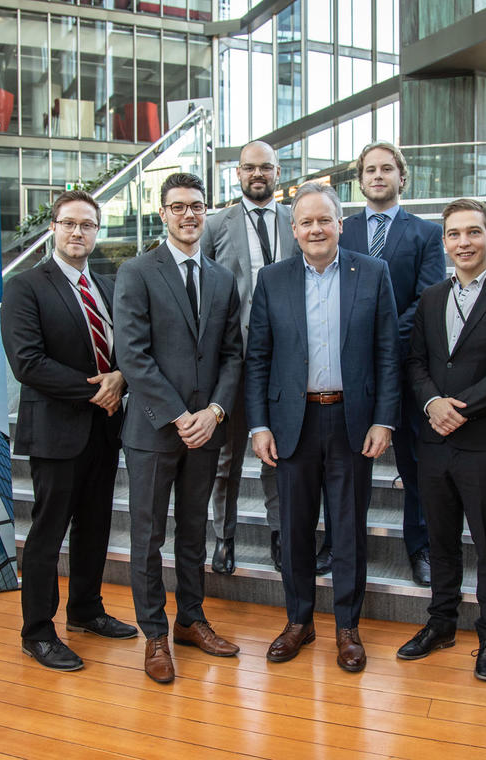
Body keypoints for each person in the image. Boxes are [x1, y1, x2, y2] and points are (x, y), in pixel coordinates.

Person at [246, 181, 401, 673]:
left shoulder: (373, 273)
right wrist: (258, 425)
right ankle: (299, 621)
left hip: (353, 421)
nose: (316, 228)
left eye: (324, 219)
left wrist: (384, 419)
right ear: (293, 230)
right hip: (293, 421)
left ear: (340, 224)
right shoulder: (272, 279)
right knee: (293, 528)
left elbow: (387, 354)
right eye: (305, 221)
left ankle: (347, 627)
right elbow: (258, 359)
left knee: (349, 527)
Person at [398, 198, 486, 682]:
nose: (464, 242)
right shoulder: (432, 298)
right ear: (444, 243)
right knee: (440, 540)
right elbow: (414, 362)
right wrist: (433, 403)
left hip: (484, 442)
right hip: (434, 440)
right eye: (455, 234)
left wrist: (461, 407)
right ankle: (441, 624)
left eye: (473, 232)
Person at [113, 172, 244, 684]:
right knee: (148, 537)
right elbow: (133, 355)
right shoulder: (137, 272)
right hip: (154, 431)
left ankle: (191, 619)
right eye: (178, 207)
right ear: (162, 213)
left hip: (206, 431)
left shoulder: (222, 278)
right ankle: (155, 635)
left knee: (193, 532)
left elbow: (232, 355)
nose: (189, 215)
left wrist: (213, 412)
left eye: (197, 206)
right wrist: (178, 414)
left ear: (206, 212)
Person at [1, 189, 137, 672]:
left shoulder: (108, 284)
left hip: (105, 428)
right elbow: (27, 362)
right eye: (69, 223)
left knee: (96, 525)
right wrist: (97, 389)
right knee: (48, 531)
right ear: (53, 229)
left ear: (97, 233)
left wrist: (120, 377)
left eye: (87, 225)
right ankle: (36, 631)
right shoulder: (25, 285)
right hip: (57, 429)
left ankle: (86, 610)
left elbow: (129, 345)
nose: (78, 232)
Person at [325, 141, 445, 585]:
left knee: (415, 463)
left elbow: (428, 297)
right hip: (345, 368)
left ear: (401, 177)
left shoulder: (427, 234)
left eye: (387, 169)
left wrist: (381, 336)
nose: (378, 175)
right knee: (340, 462)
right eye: (370, 169)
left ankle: (421, 547)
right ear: (359, 180)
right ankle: (336, 543)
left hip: (406, 362)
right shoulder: (340, 229)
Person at [202, 140, 295, 574]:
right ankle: (225, 538)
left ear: (278, 173)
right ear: (237, 174)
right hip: (235, 362)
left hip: (289, 362)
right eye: (249, 168)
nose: (257, 175)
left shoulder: (298, 220)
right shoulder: (216, 224)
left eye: (266, 168)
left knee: (282, 455)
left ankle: (281, 535)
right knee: (228, 458)